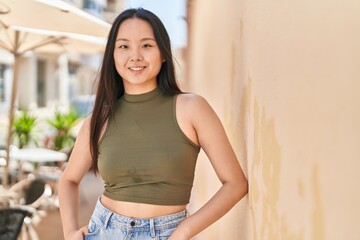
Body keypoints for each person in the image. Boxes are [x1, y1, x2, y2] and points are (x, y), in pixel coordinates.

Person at [58, 8, 248, 240]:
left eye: (147, 45)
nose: (135, 56)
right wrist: (69, 232)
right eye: (124, 46)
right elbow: (68, 180)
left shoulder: (192, 108)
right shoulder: (99, 120)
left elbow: (235, 183)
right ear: (113, 55)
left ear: (164, 53)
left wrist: (184, 231)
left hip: (167, 234)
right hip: (104, 231)